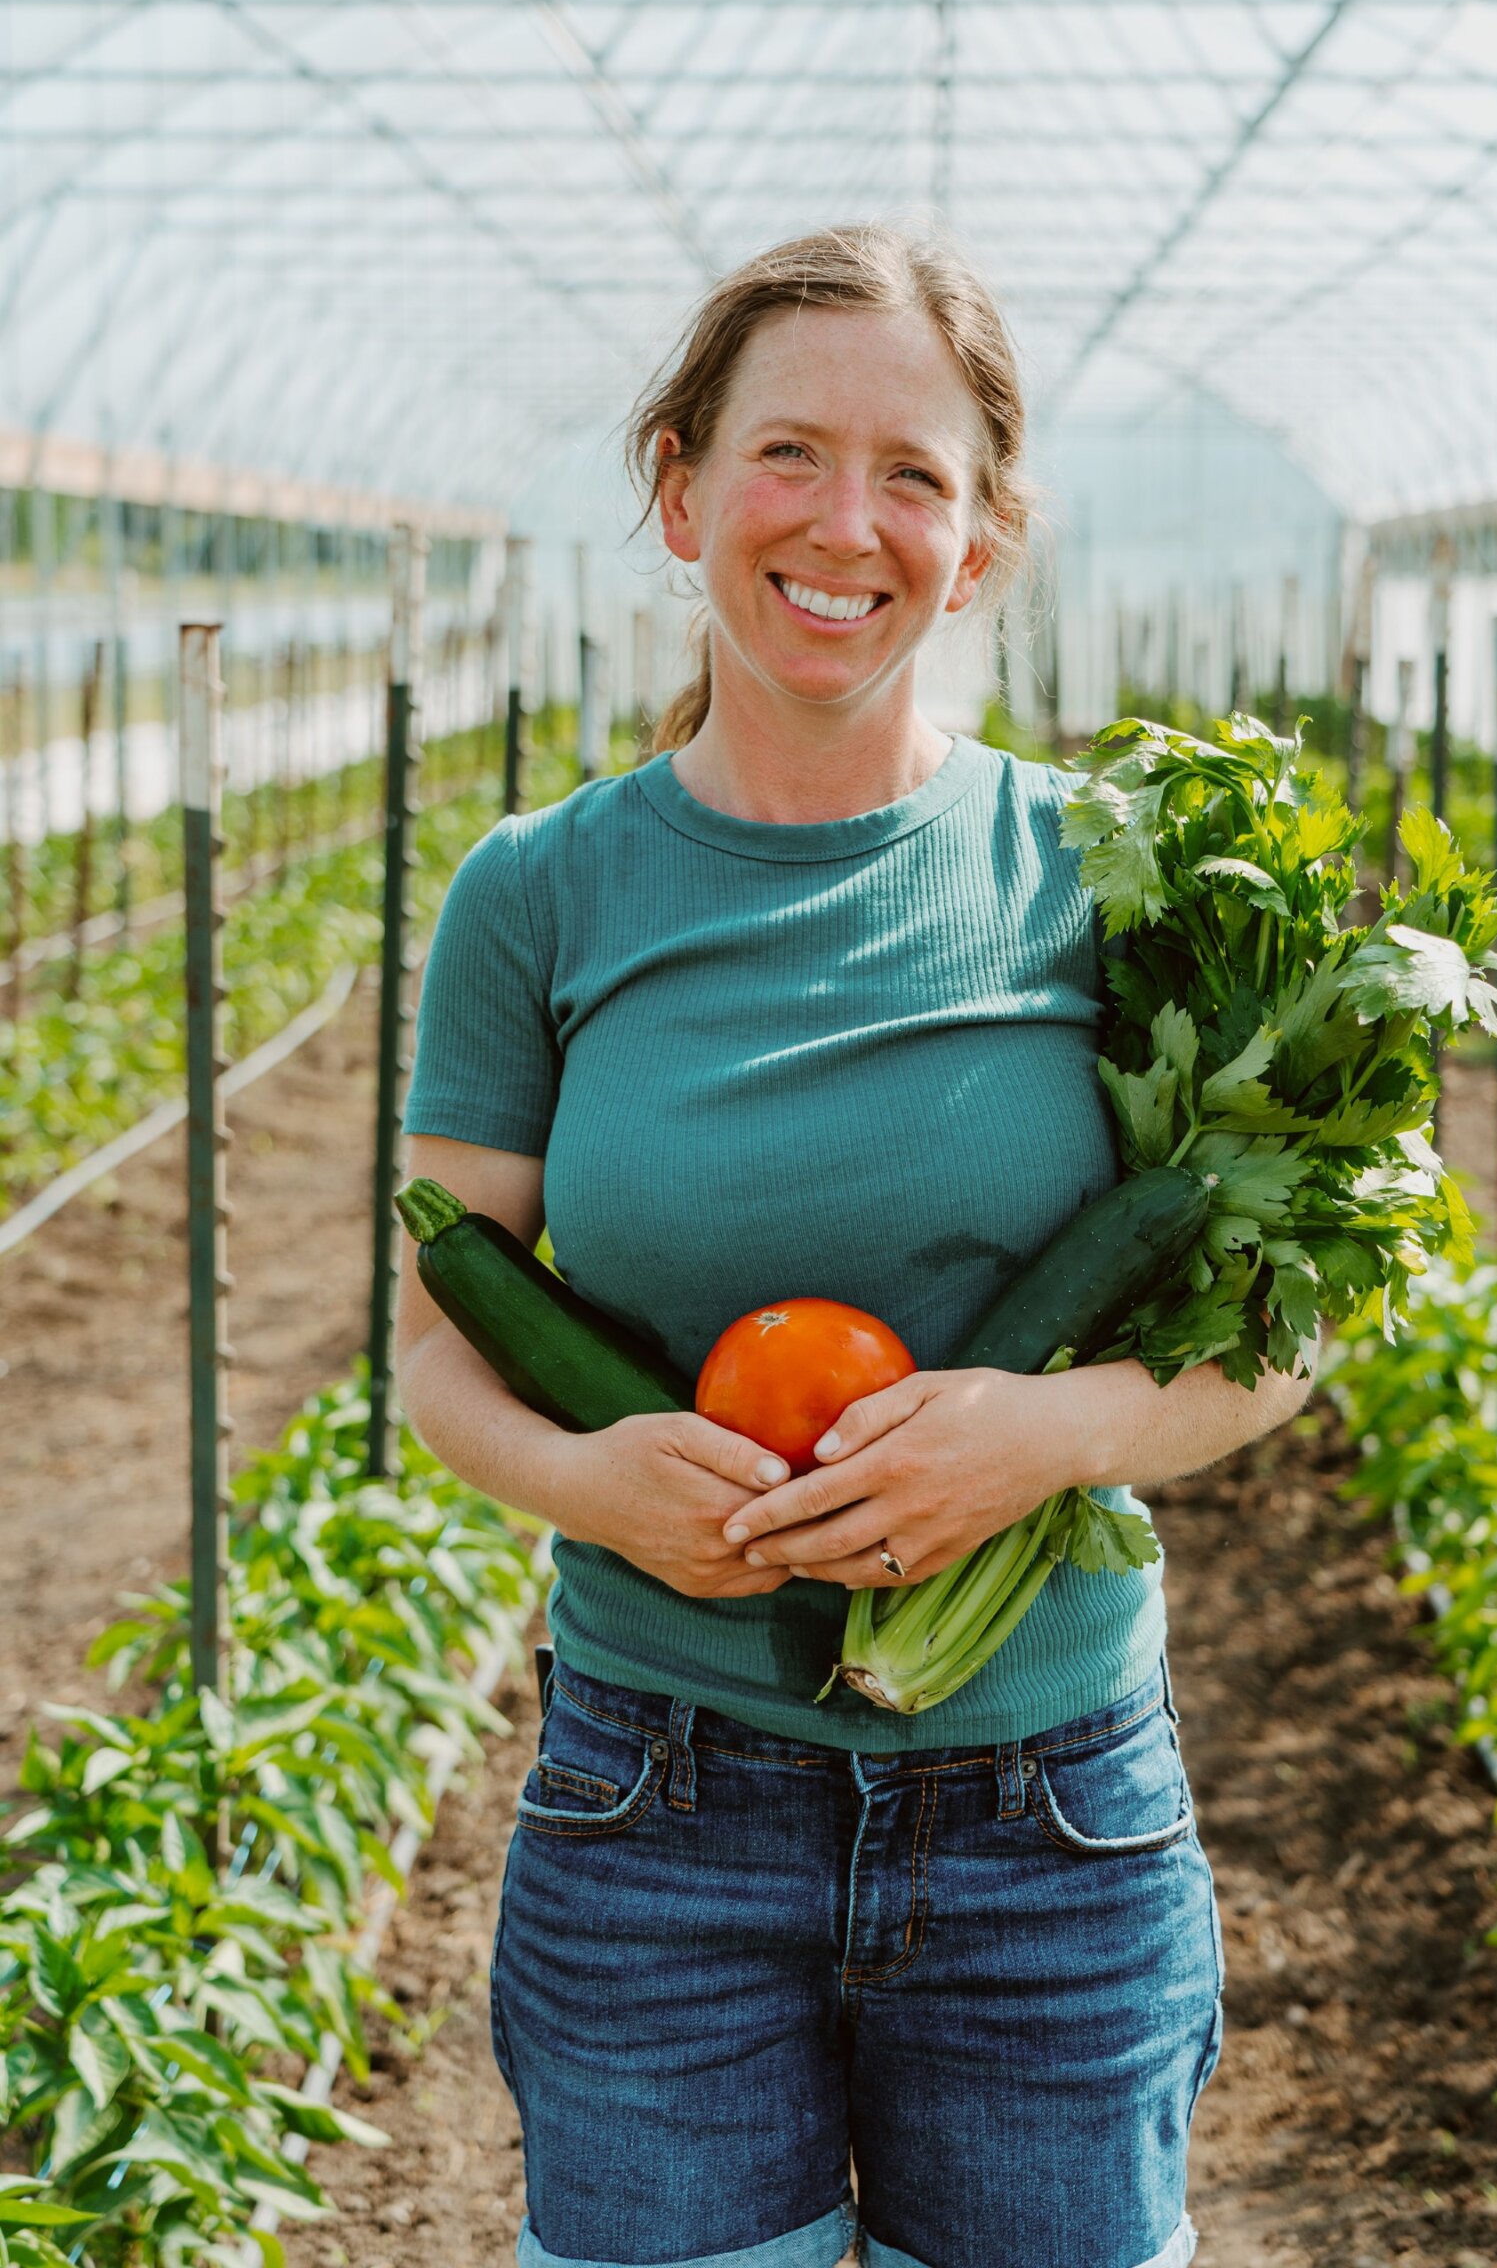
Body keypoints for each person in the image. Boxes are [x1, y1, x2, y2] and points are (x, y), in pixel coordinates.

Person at [397, 223, 1311, 2268]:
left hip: (1048, 1816)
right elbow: (441, 1336)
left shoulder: (1115, 875)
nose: (845, 521)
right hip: (655, 1810)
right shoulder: (535, 895)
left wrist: (1044, 1430)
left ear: (982, 539)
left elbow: (1275, 1337)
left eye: (914, 472)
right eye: (787, 453)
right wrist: (585, 1477)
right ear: (677, 490)